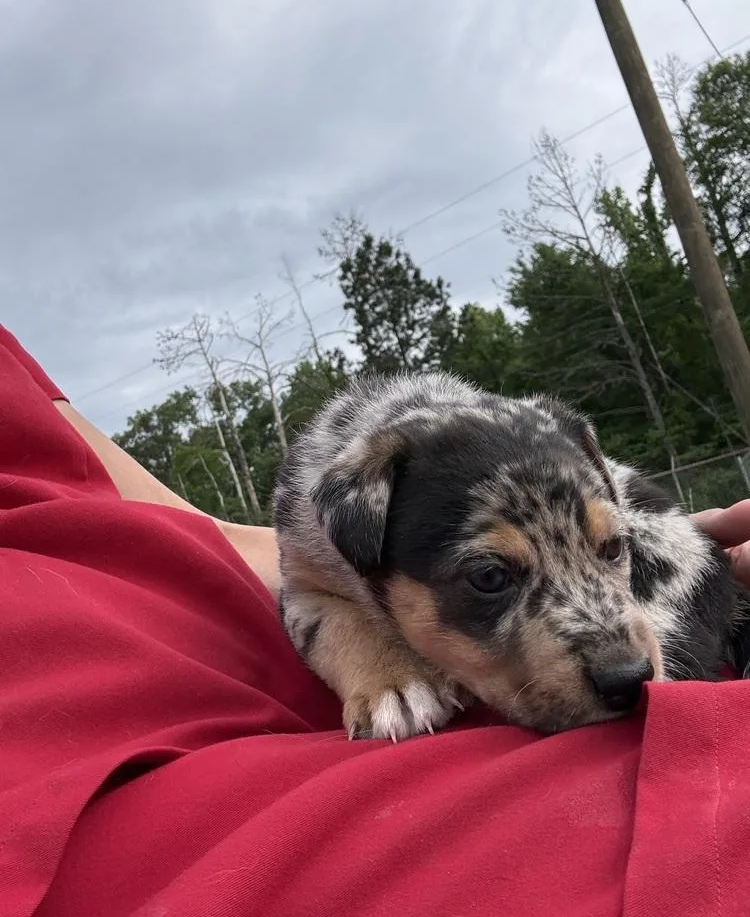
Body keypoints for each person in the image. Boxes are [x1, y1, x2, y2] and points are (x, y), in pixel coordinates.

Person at [3, 322, 750, 917]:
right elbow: (309, 589)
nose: (615, 647)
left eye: (606, 547)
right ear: (363, 554)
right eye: (492, 576)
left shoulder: (546, 453)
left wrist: (651, 548)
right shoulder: (347, 504)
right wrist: (378, 664)